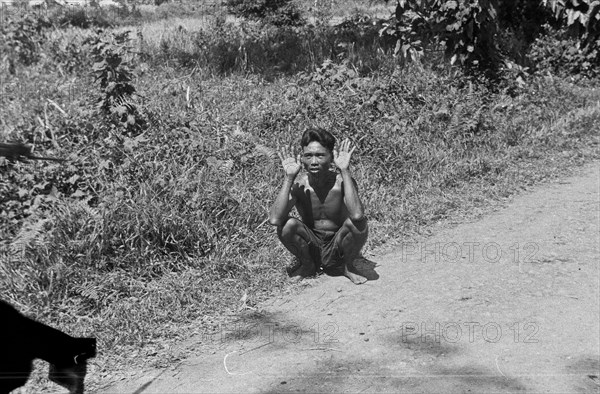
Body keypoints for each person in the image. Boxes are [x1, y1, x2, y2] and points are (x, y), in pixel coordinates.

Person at [268, 128, 369, 284]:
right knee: (287, 225)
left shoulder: (341, 182)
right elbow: (275, 219)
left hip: (338, 243)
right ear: (302, 158)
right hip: (311, 243)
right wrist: (289, 178)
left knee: (358, 223)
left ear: (331, 157)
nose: (314, 162)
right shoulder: (299, 185)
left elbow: (357, 215)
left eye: (320, 155)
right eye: (308, 156)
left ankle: (347, 266)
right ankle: (308, 265)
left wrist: (344, 170)